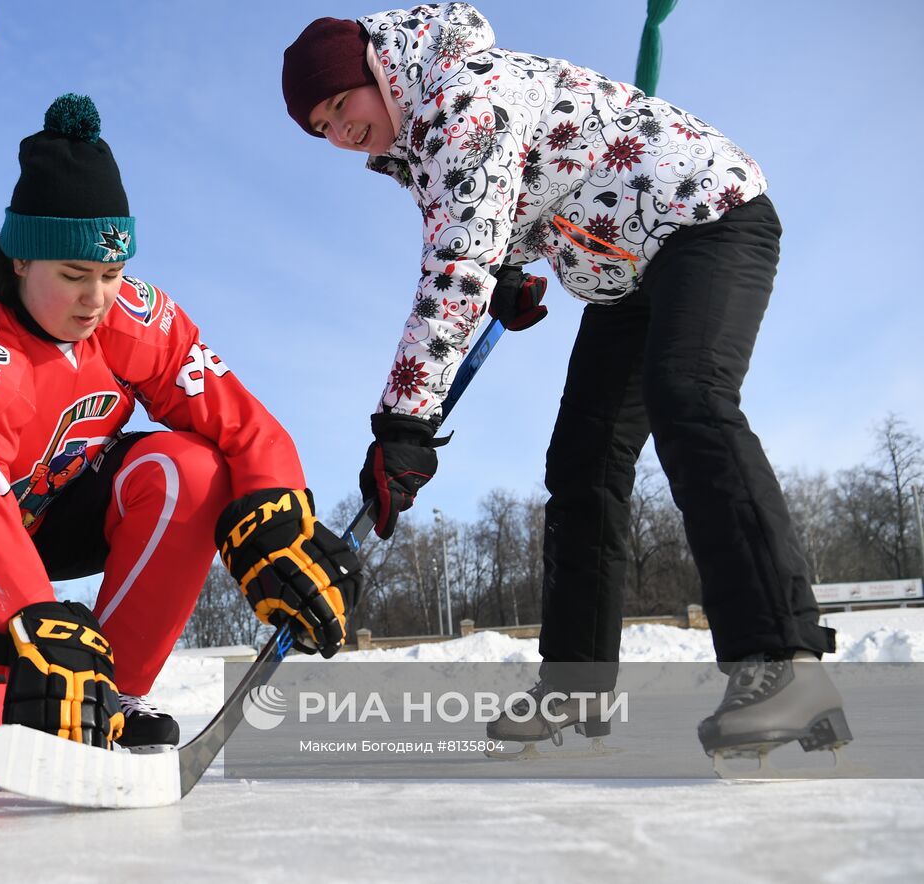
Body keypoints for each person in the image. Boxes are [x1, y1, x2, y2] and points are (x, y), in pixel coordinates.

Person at [280, 4, 850, 765]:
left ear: (378, 75)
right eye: (321, 129)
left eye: (341, 106)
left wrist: (405, 424)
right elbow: (494, 220)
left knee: (691, 398)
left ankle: (782, 662)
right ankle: (577, 682)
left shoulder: (458, 97)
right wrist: (509, 270)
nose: (341, 134)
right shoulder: (420, 140)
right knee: (582, 463)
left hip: (707, 220)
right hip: (631, 275)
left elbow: (455, 266)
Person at [0, 93, 360, 791]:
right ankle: (57, 674)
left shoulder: (129, 316)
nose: (96, 298)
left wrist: (278, 511)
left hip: (54, 504)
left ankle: (111, 694)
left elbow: (237, 419)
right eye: (72, 276)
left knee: (193, 467)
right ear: (18, 263)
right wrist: (35, 627)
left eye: (111, 273)